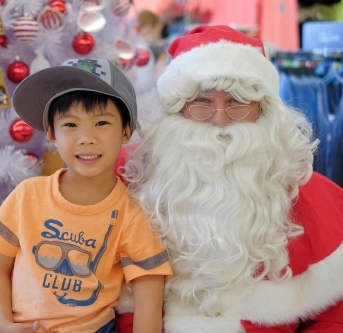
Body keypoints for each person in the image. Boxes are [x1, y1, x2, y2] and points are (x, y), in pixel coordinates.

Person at [115, 25, 343, 332]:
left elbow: (334, 318)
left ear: (264, 110)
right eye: (202, 102)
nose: (219, 119)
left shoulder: (316, 196)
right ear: (177, 109)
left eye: (236, 102)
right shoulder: (126, 179)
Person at [0, 58, 173, 333]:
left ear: (126, 131)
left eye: (102, 122)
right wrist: (5, 324)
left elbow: (148, 301)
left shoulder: (131, 215)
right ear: (52, 134)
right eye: (70, 125)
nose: (86, 138)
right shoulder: (27, 196)